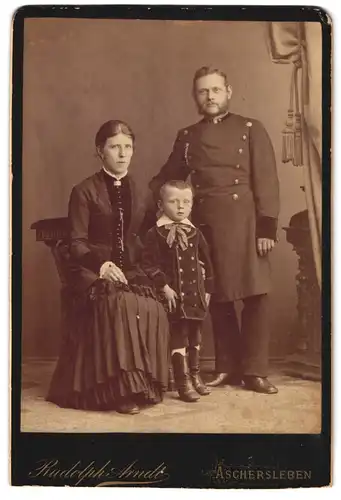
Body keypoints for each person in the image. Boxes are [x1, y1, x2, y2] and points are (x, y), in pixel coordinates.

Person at [147, 66, 280, 394]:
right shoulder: (188, 136)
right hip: (207, 226)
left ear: (228, 92)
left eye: (215, 90)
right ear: (196, 97)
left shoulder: (251, 128)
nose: (210, 97)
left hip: (248, 223)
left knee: (255, 295)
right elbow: (167, 177)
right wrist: (142, 197)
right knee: (217, 297)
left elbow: (267, 181)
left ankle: (255, 371)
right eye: (203, 92)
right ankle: (226, 367)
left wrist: (267, 227)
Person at [47, 120, 170, 414]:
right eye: (115, 147)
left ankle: (143, 384)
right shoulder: (84, 191)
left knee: (151, 306)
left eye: (128, 147)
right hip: (91, 271)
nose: (122, 153)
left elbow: (151, 236)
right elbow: (76, 243)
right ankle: (118, 389)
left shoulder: (142, 192)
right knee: (120, 305)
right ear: (100, 151)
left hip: (132, 270)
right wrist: (101, 266)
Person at [140, 180, 214, 402]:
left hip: (195, 297)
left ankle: (195, 375)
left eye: (186, 202)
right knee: (178, 338)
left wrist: (207, 291)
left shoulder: (196, 234)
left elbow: (208, 265)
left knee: (195, 336)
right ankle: (182, 382)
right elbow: (148, 264)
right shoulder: (156, 234)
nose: (181, 207)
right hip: (173, 298)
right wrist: (164, 286)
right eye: (174, 202)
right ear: (161, 205)